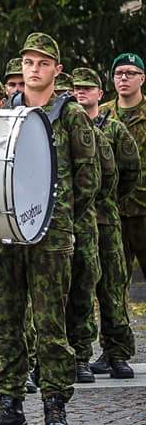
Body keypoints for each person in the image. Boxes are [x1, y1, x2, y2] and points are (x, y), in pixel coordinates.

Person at [0, 33, 99, 425]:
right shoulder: (5, 113)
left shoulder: (71, 115)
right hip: (6, 231)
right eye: (29, 62)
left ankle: (54, 404)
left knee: (50, 321)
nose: (34, 69)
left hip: (51, 233)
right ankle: (9, 405)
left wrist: (58, 214)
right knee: (5, 319)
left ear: (57, 70)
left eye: (43, 63)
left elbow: (89, 177)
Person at [73, 67, 139, 379]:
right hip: (78, 222)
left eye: (88, 88)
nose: (81, 92)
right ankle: (80, 353)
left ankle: (117, 352)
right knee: (80, 289)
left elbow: (130, 171)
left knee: (112, 288)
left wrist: (108, 199)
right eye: (77, 88)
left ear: (100, 94)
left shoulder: (114, 129)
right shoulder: (67, 129)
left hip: (107, 220)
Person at [100, 52, 145, 360]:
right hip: (114, 211)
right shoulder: (103, 115)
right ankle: (115, 350)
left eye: (130, 73)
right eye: (119, 73)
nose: (124, 78)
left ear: (142, 78)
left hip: (144, 210)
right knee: (111, 285)